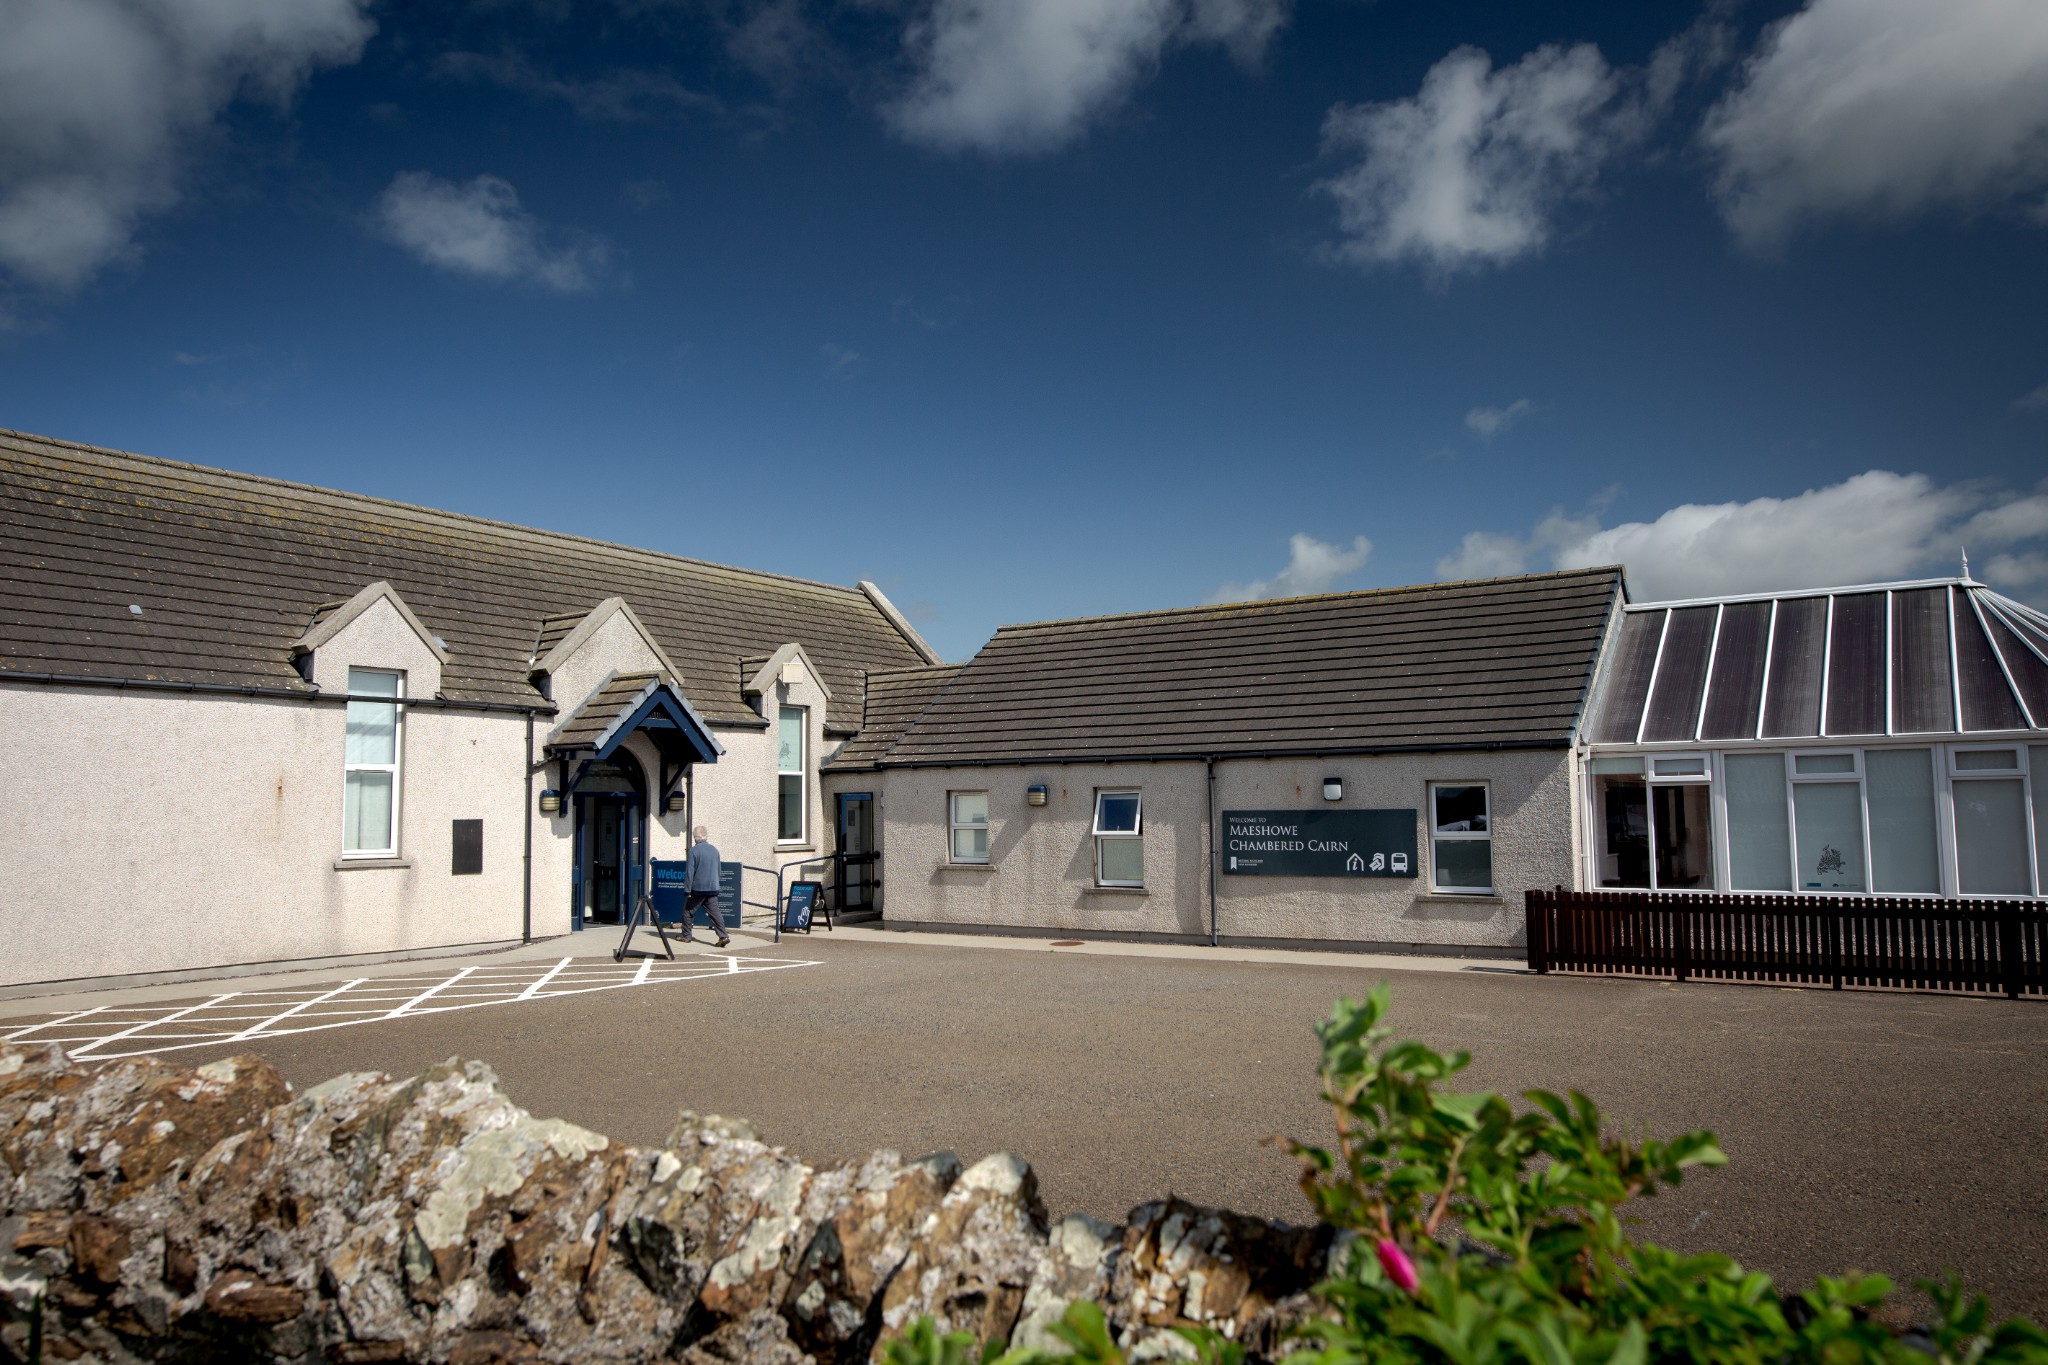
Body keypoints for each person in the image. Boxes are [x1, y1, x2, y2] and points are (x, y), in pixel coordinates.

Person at [682, 826, 731, 947]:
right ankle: (723, 936)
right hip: (713, 888)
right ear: (706, 836)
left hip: (698, 889)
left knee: (687, 912)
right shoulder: (714, 850)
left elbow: (690, 872)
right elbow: (719, 870)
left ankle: (686, 936)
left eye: (694, 837)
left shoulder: (694, 851)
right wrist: (716, 884)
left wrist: (687, 890)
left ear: (696, 838)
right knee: (715, 913)